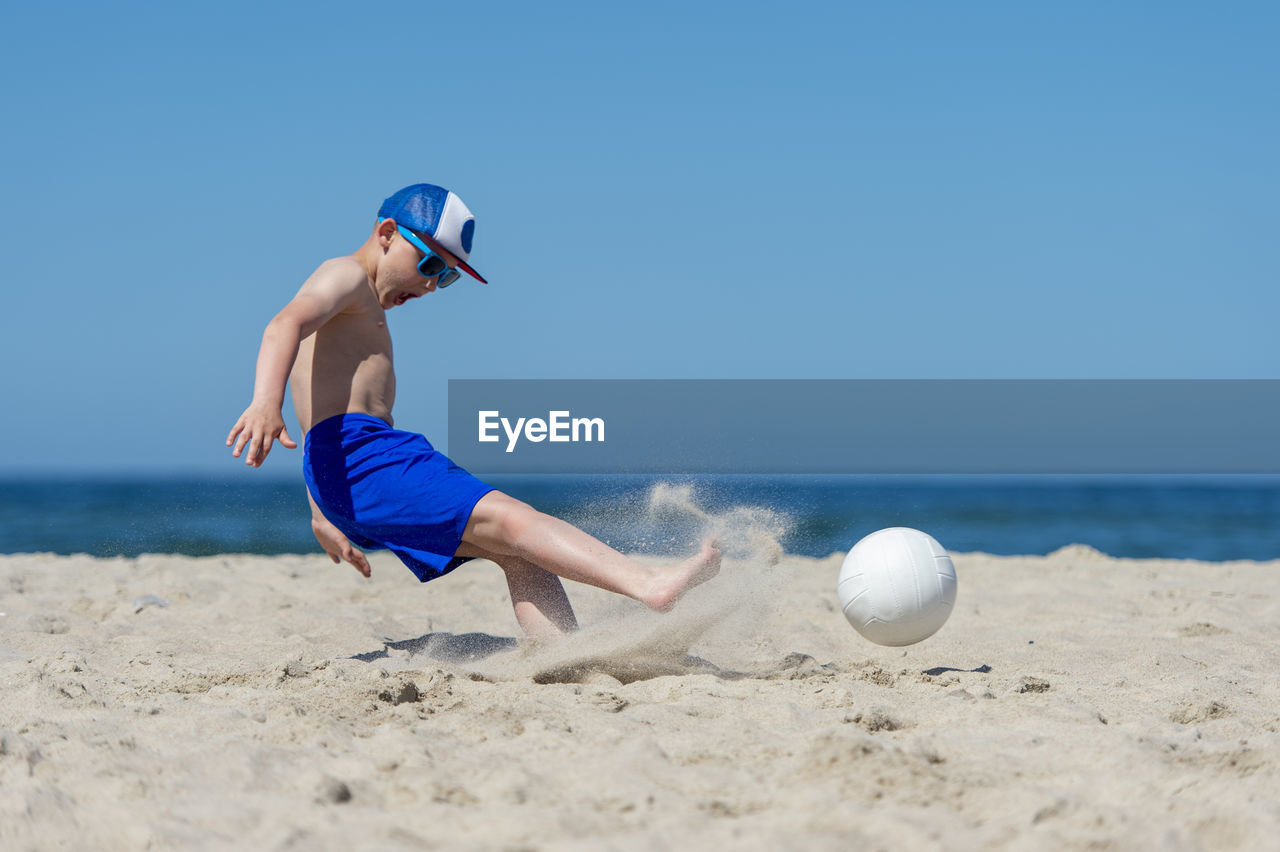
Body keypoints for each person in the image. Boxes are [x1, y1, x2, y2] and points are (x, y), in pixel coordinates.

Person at [226, 183, 720, 643]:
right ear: (385, 234)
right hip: (364, 457)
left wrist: (321, 510)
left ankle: (564, 651)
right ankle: (648, 582)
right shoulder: (347, 275)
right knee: (512, 520)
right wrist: (264, 403)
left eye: (447, 278)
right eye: (429, 266)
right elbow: (282, 324)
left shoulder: (357, 308)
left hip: (348, 468)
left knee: (513, 549)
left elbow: (315, 415)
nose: (431, 287)